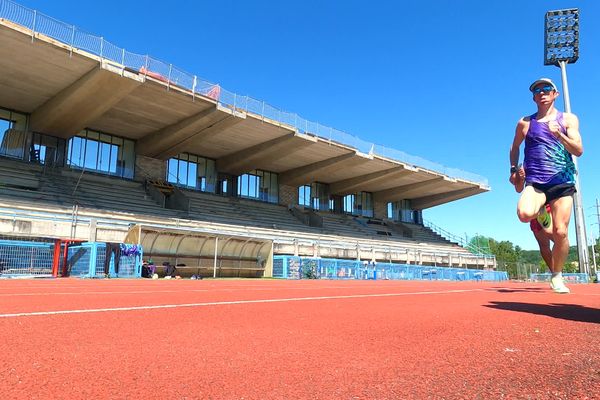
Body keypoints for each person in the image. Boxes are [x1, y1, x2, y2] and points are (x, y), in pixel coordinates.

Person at [509, 78, 583, 294]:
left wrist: (558, 134)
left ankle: (557, 276)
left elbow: (578, 150)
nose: (542, 92)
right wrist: (514, 169)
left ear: (555, 94)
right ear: (534, 97)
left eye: (546, 89)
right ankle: (541, 209)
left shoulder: (568, 119)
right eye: (537, 90)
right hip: (536, 182)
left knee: (560, 232)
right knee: (524, 213)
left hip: (562, 182)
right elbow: (514, 148)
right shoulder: (525, 122)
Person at [510, 167, 554, 276]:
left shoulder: (552, 156)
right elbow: (518, 188)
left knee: (558, 237)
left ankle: (557, 271)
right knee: (543, 245)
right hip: (533, 204)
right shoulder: (524, 165)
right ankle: (555, 273)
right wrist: (519, 177)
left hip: (551, 200)